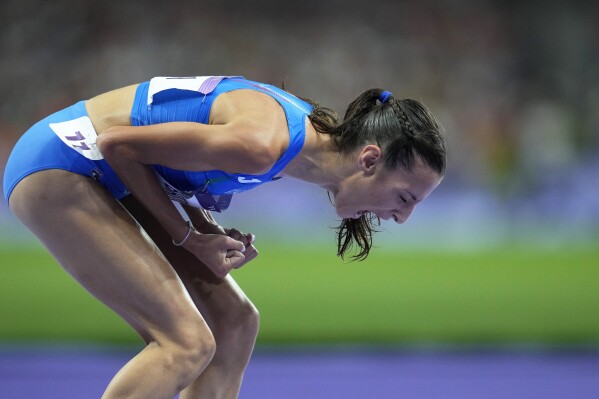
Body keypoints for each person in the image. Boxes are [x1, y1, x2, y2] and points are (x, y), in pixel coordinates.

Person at [2, 75, 446, 399]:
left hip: (104, 172)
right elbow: (119, 145)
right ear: (370, 159)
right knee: (185, 343)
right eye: (405, 197)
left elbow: (163, 166)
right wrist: (187, 237)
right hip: (63, 162)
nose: (402, 217)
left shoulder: (297, 141)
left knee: (235, 323)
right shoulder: (262, 145)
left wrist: (206, 233)